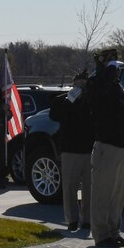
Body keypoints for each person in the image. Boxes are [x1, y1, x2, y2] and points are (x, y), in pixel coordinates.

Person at [87, 59, 124, 248]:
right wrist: (103, 77)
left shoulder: (117, 87)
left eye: (118, 69)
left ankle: (114, 231)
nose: (118, 71)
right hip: (108, 147)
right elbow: (95, 99)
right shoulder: (98, 85)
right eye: (115, 68)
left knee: (118, 194)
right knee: (103, 193)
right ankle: (101, 235)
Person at [49, 70, 95, 232]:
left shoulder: (92, 101)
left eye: (84, 83)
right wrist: (70, 100)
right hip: (70, 150)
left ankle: (88, 219)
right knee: (69, 188)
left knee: (90, 188)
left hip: (89, 149)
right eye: (78, 83)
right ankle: (72, 220)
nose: (81, 86)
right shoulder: (63, 100)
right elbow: (54, 115)